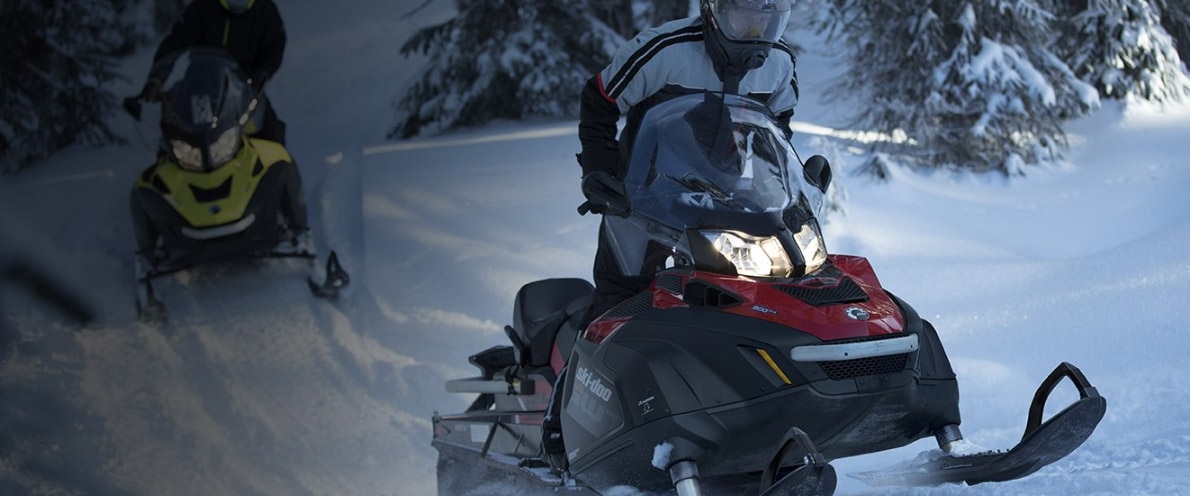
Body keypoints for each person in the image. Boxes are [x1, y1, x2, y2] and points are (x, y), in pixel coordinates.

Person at [541, 0, 799, 473]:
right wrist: (599, 171)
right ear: (714, 12)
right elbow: (599, 99)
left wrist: (780, 190)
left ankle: (742, 418)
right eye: (746, 18)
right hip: (642, 202)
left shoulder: (778, 63)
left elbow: (777, 132)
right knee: (622, 301)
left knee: (746, 303)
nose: (757, 30)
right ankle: (563, 424)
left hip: (728, 207)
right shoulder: (664, 49)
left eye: (769, 18)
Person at [126, 0, 288, 144]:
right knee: (174, 127)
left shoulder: (265, 10)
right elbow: (175, 43)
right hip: (200, 85)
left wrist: (261, 72)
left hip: (243, 88)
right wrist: (156, 78)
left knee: (270, 132)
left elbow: (275, 46)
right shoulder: (203, 7)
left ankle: (277, 174)